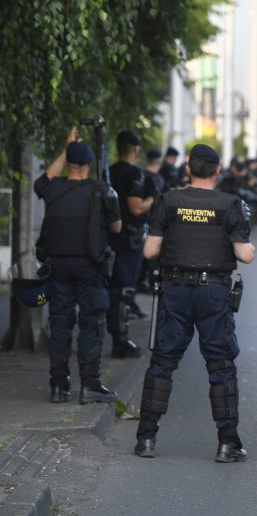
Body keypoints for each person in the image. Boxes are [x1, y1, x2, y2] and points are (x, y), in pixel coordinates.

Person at [134, 144, 255, 463]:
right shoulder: (231, 204)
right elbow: (244, 254)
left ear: (188, 168)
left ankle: (146, 438)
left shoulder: (168, 200)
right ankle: (228, 443)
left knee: (162, 362)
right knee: (220, 364)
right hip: (213, 293)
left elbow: (149, 251)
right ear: (217, 170)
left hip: (175, 289)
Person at [34, 129, 122, 404]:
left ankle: (59, 387)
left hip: (57, 267)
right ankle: (90, 386)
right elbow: (117, 228)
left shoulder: (53, 189)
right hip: (90, 268)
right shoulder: (101, 191)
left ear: (70, 164)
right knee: (91, 325)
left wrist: (66, 147)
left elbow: (42, 180)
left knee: (60, 325)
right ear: (87, 167)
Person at [107, 130, 154, 357]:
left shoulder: (108, 171)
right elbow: (135, 207)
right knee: (123, 289)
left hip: (109, 237)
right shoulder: (134, 174)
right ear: (135, 149)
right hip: (129, 239)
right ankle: (120, 340)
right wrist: (152, 199)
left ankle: (116, 336)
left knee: (112, 287)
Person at [137, 149, 166, 293]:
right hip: (154, 221)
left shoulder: (140, 175)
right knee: (152, 256)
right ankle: (151, 284)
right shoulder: (158, 179)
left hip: (139, 221)